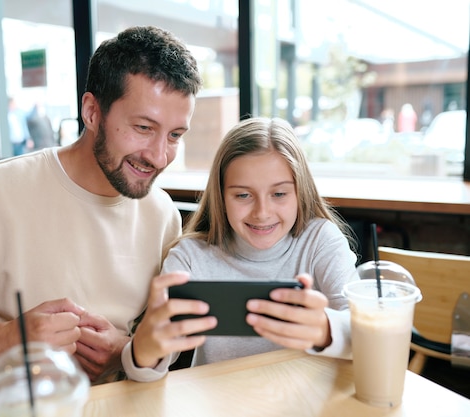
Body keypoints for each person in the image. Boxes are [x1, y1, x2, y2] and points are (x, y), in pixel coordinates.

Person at [0, 25, 202, 417]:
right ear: (92, 112)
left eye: (174, 135)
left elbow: (149, 341)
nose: (159, 156)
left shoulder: (163, 214)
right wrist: (5, 340)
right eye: (143, 128)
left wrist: (122, 352)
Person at [122, 117, 359, 382]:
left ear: (300, 192)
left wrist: (326, 329)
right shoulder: (191, 257)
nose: (262, 212)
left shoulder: (319, 240)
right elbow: (144, 372)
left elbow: (366, 334)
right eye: (243, 195)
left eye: (279, 194)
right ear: (221, 197)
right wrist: (144, 349)